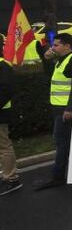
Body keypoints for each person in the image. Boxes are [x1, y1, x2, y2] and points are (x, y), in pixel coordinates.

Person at [35, 34, 72, 190]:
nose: (53, 48)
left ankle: (58, 176)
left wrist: (70, 108)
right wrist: (46, 56)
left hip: (65, 111)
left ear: (67, 46)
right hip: (59, 109)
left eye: (56, 45)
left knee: (61, 143)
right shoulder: (61, 60)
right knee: (65, 142)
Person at [0, 54, 21, 195]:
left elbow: (6, 90)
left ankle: (12, 179)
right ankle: (6, 175)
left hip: (1, 112)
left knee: (3, 146)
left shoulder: (3, 66)